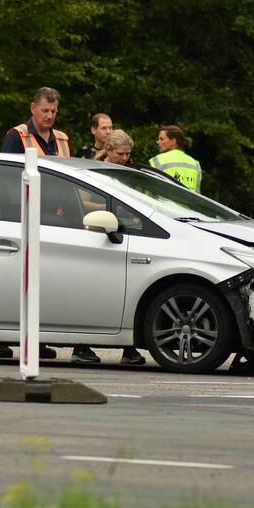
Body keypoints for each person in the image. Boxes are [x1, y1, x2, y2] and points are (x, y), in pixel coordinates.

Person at [0, 87, 68, 361]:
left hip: (53, 218)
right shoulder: (17, 136)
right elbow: (7, 177)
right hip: (22, 214)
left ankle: (34, 338)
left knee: (42, 282)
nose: (49, 116)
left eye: (53, 111)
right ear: (33, 108)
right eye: (45, 110)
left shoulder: (61, 139)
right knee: (14, 279)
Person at [96, 130, 146, 366]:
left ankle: (129, 348)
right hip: (98, 233)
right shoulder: (94, 171)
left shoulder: (128, 173)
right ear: (108, 150)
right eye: (120, 154)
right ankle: (82, 346)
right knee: (98, 291)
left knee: (128, 293)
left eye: (127, 154)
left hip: (124, 232)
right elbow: (84, 200)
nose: (125, 158)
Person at [149, 125, 202, 192]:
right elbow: (197, 193)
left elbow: (151, 189)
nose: (157, 142)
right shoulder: (195, 163)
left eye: (161, 139)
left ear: (173, 141)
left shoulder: (158, 160)